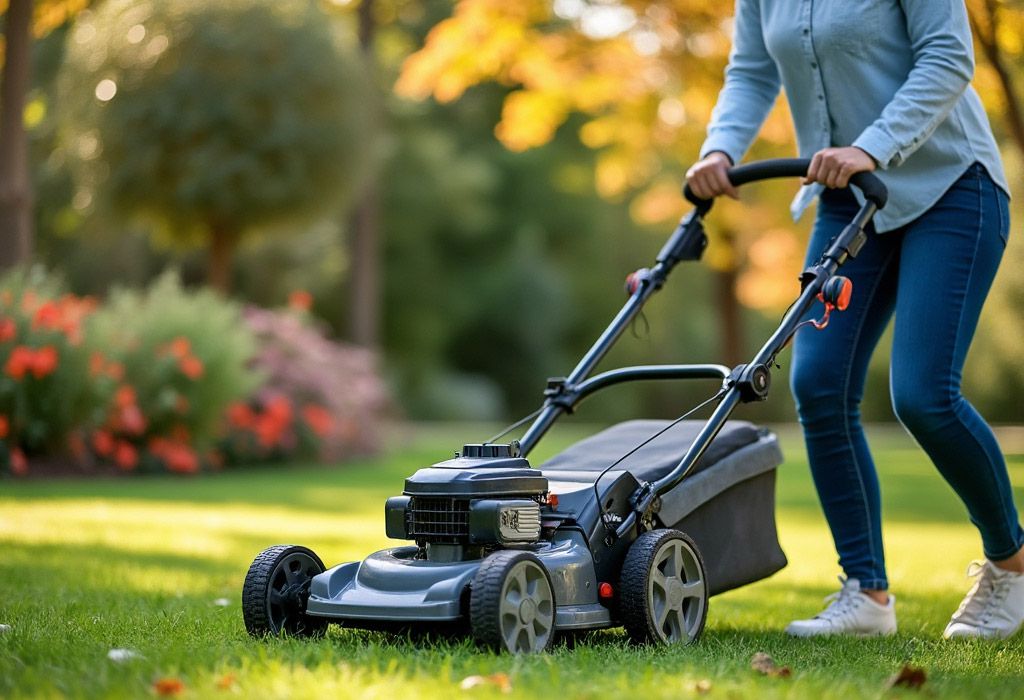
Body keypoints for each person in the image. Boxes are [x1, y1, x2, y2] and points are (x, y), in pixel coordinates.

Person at [686, 0, 1023, 639]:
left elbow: (949, 57)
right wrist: (720, 148)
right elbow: (753, 71)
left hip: (951, 186)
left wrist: (871, 145)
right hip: (848, 201)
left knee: (924, 395)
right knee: (817, 382)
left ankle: (1012, 562)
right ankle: (866, 593)